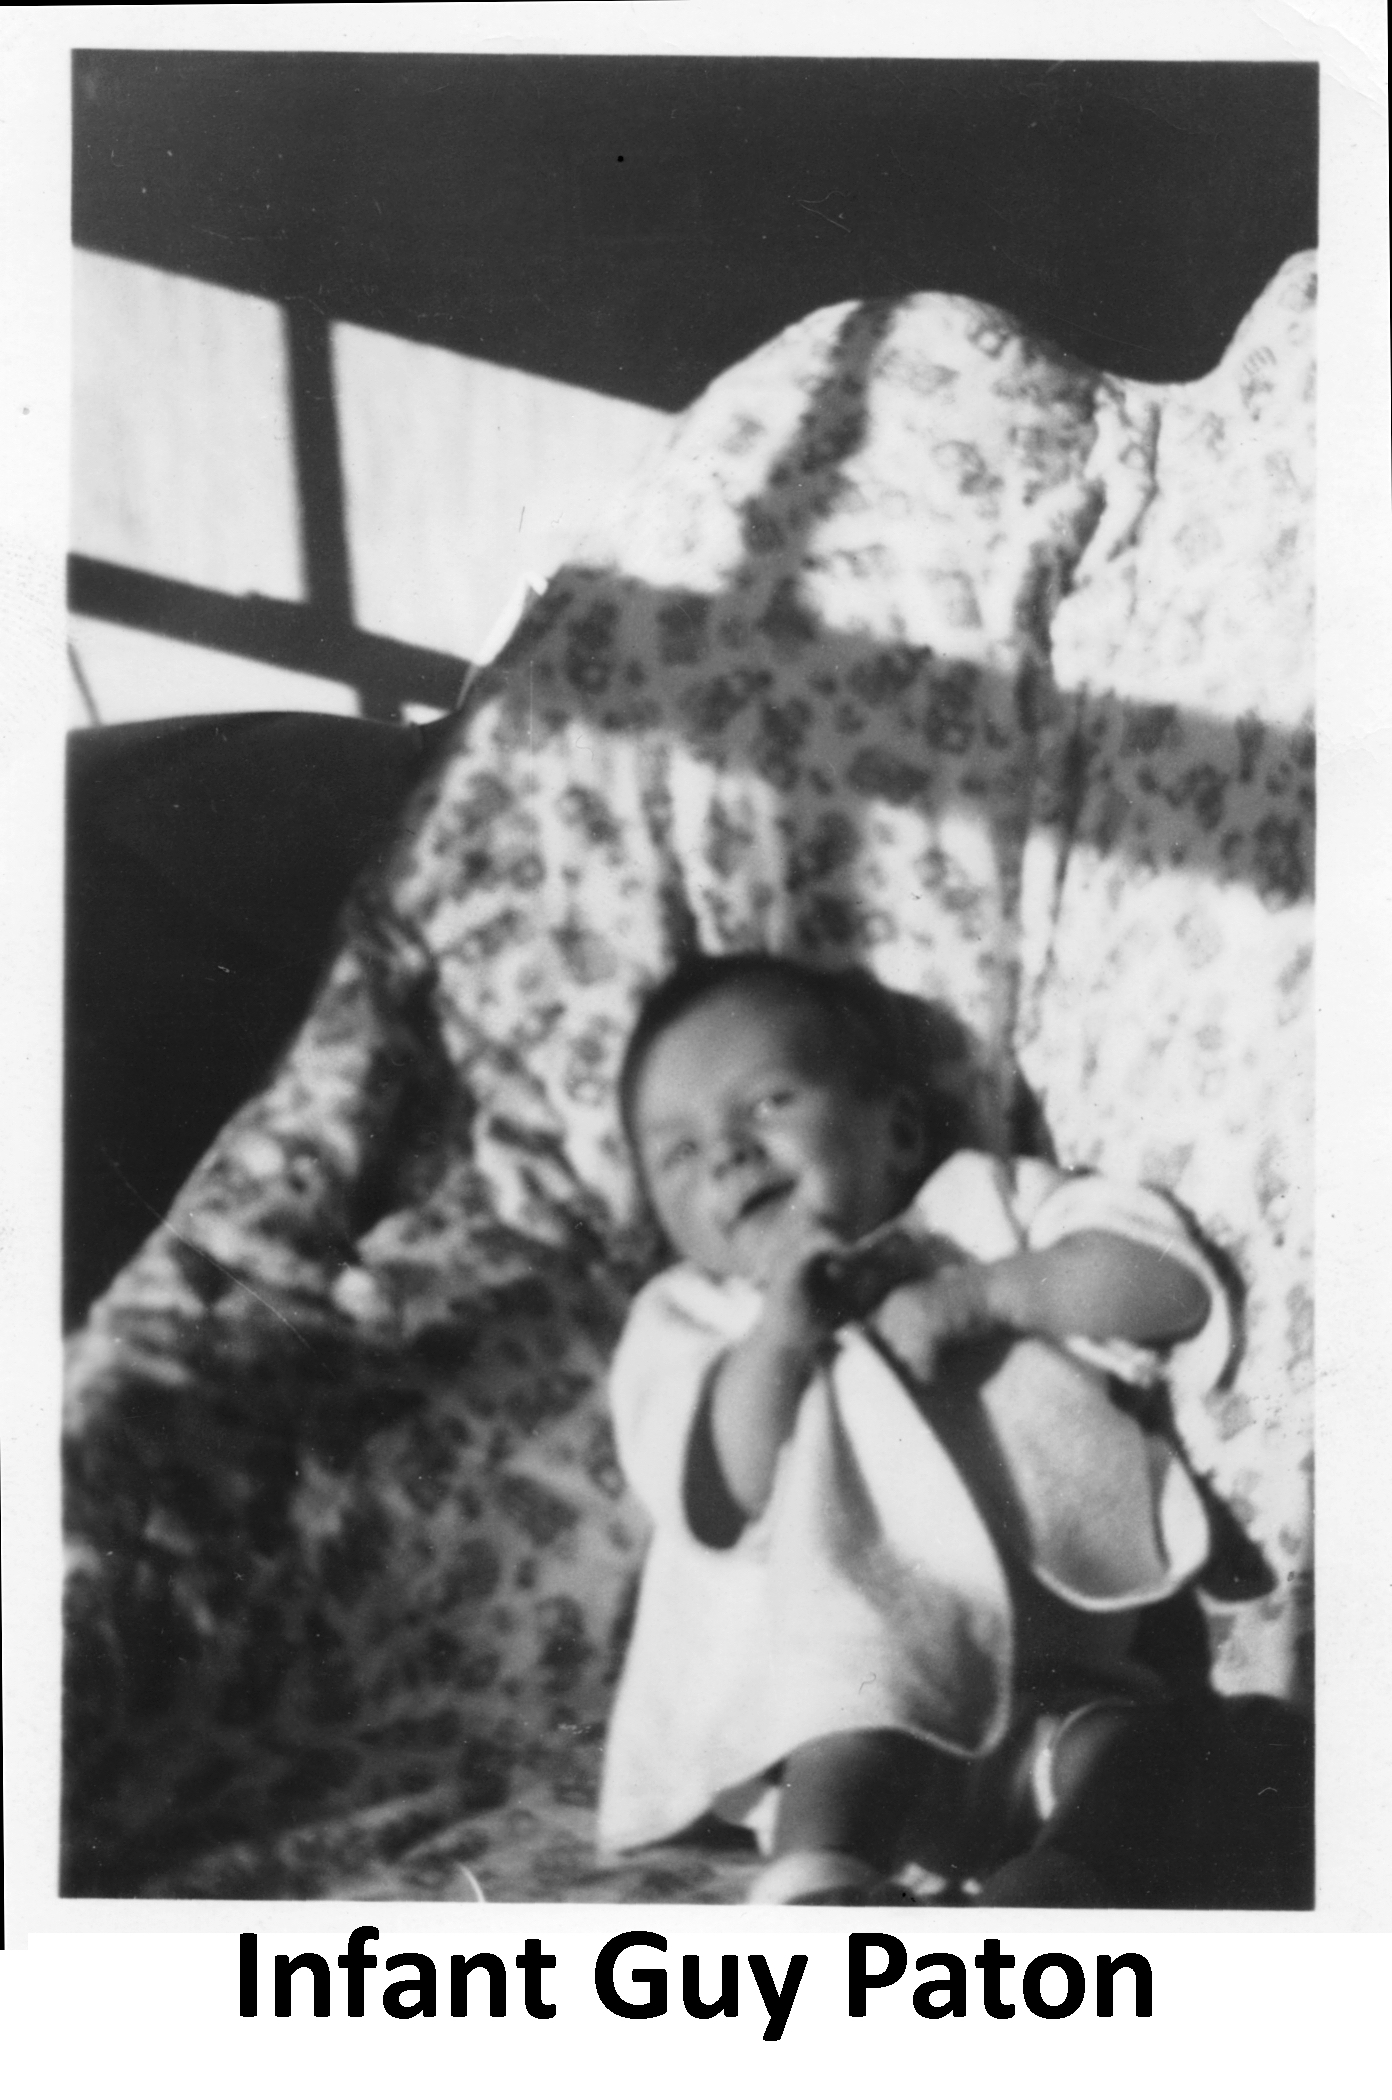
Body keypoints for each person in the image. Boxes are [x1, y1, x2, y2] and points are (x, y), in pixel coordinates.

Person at [596, 952, 1236, 1904]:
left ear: (894, 1127)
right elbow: (715, 1494)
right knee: (847, 1716)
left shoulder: (983, 1209)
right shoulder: (693, 1316)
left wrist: (988, 1294)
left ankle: (1056, 1893)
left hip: (1053, 1676)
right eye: (679, 1152)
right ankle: (821, 1885)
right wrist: (778, 1339)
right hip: (836, 1695)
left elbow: (1169, 1286)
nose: (724, 1152)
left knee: (1155, 1755)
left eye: (766, 1103)